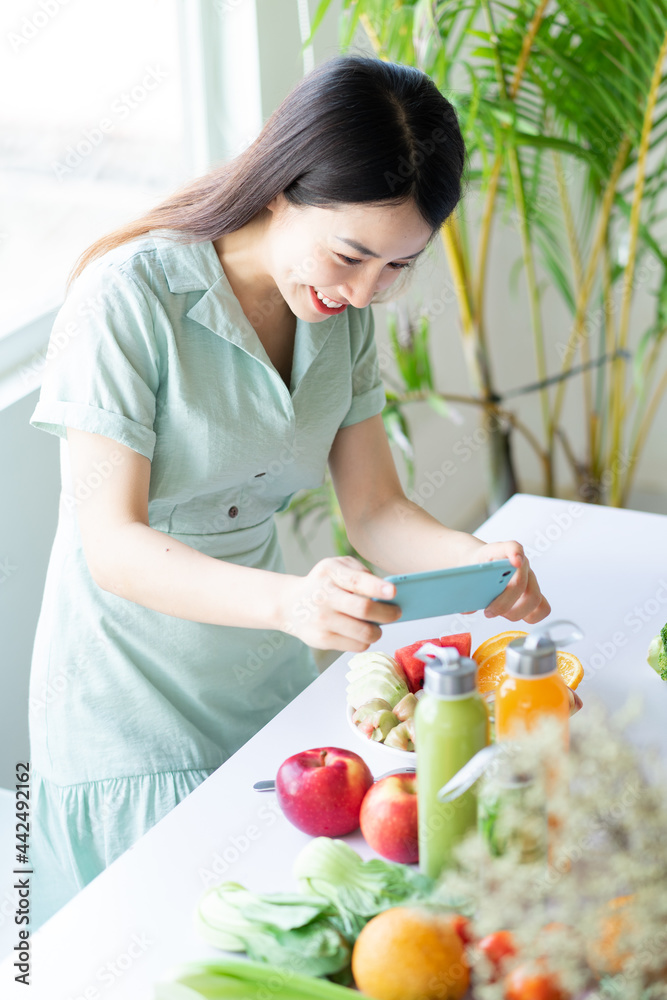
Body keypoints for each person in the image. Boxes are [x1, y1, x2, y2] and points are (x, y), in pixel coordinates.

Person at [27, 54, 551, 929]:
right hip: (125, 708)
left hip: (266, 687)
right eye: (350, 254)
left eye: (399, 265)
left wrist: (477, 560)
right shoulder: (129, 297)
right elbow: (109, 543)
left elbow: (377, 512)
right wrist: (292, 602)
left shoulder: (339, 320)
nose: (364, 290)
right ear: (281, 186)